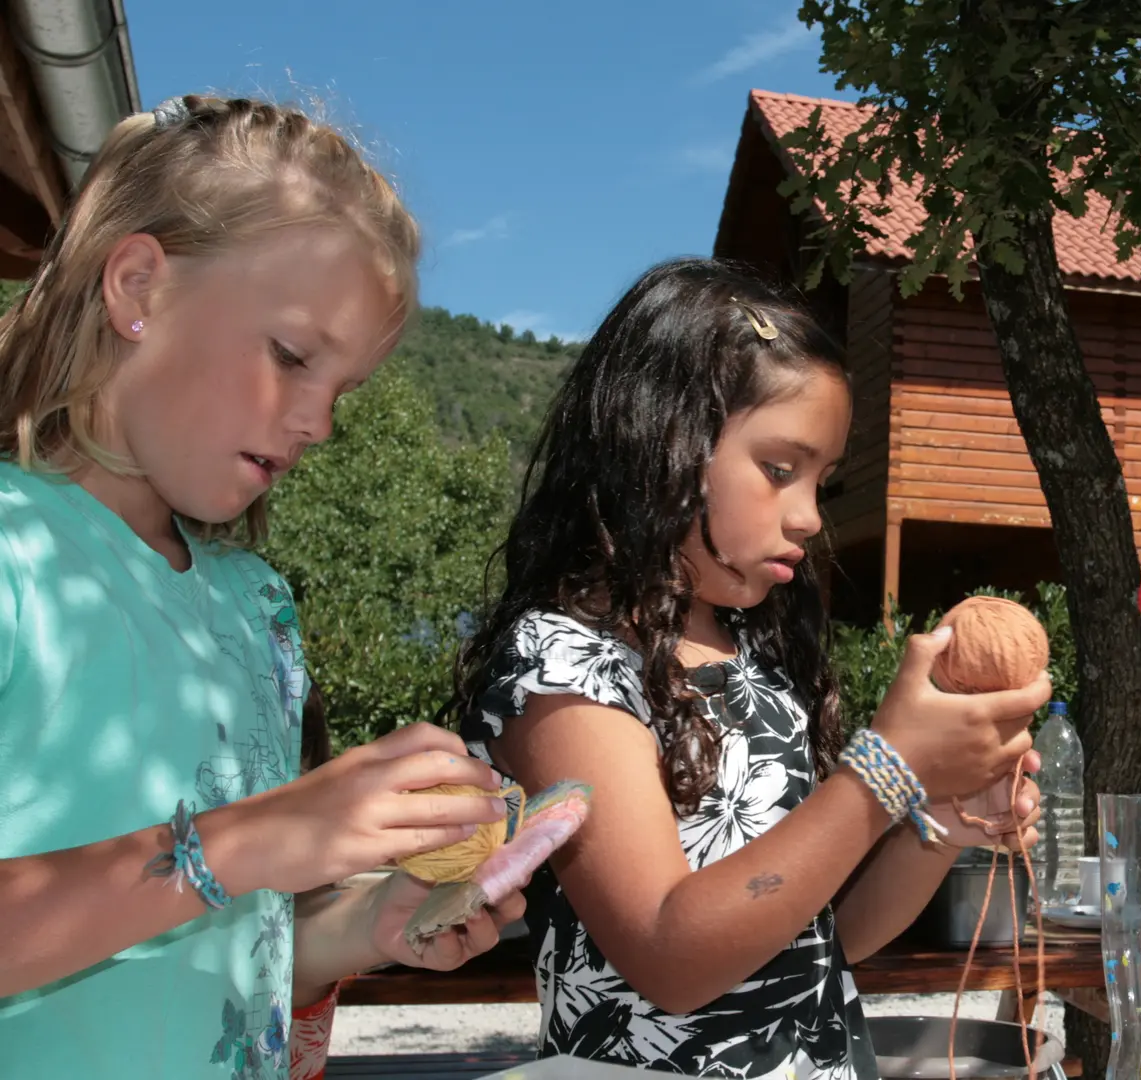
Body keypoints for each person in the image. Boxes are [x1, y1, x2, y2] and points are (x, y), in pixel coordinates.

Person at [0, 95, 526, 1079]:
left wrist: (370, 924)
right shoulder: (14, 555)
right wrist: (250, 839)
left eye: (343, 390)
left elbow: (229, 952)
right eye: (291, 356)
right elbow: (217, 863)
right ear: (138, 285)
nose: (320, 426)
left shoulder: (256, 607)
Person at [448, 257, 1049, 1077]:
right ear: (664, 441)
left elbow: (831, 933)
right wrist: (885, 768)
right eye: (778, 469)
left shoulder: (755, 656)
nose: (808, 514)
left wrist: (946, 809)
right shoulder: (561, 667)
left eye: (822, 480)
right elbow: (670, 957)